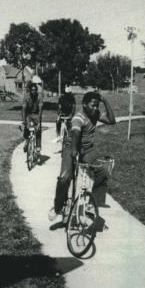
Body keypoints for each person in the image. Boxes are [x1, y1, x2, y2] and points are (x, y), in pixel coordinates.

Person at [50, 91, 116, 223]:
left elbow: (112, 120)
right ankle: (57, 207)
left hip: (87, 150)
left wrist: (105, 100)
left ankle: (93, 205)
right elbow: (75, 134)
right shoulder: (78, 117)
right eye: (93, 105)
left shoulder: (95, 114)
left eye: (97, 105)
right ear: (84, 105)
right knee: (64, 178)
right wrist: (74, 152)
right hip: (71, 147)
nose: (95, 108)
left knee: (103, 168)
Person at [20, 81, 43, 154]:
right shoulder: (26, 96)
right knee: (27, 128)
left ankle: (38, 147)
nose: (34, 92)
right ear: (30, 91)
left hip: (36, 114)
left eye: (35, 90)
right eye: (32, 90)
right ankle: (27, 141)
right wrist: (23, 121)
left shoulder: (39, 96)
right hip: (28, 114)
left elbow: (40, 109)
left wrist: (39, 122)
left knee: (38, 130)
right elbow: (23, 109)